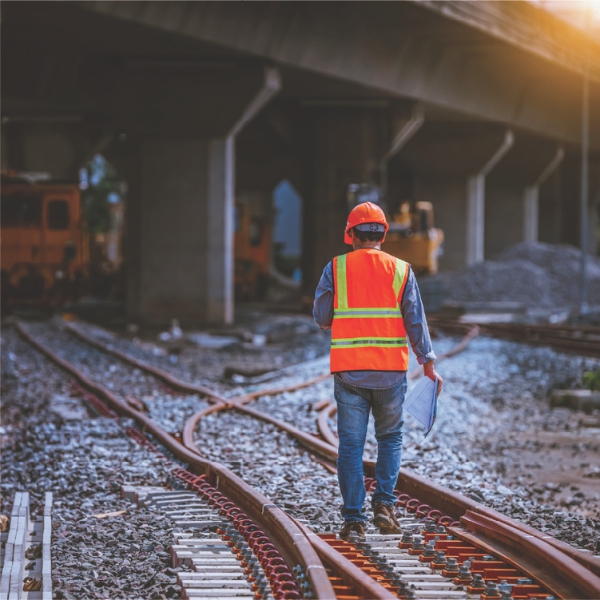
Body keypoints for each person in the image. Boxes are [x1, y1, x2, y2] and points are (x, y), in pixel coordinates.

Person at [313, 201, 443, 540]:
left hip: (350, 374)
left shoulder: (336, 268)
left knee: (351, 447)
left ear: (351, 234)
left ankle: (353, 520)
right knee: (390, 438)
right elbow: (416, 321)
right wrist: (428, 364)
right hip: (390, 374)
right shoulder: (401, 269)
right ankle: (384, 506)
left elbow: (322, 317)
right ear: (383, 234)